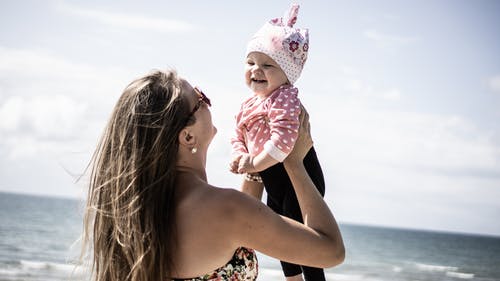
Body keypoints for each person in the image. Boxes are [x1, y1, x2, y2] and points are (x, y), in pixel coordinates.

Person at [81, 69, 344, 281]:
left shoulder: (134, 214)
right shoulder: (227, 210)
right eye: (201, 100)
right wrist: (294, 162)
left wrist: (258, 157)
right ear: (187, 136)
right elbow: (331, 251)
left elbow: (239, 224)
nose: (209, 103)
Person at [230, 4, 328, 280]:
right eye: (250, 63)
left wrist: (254, 164)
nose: (256, 70)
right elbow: (238, 134)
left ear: (288, 74)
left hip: (301, 177)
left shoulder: (284, 97)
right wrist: (240, 156)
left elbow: (284, 140)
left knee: (302, 237)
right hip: (274, 178)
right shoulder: (249, 103)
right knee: (279, 231)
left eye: (267, 65)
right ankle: (292, 278)